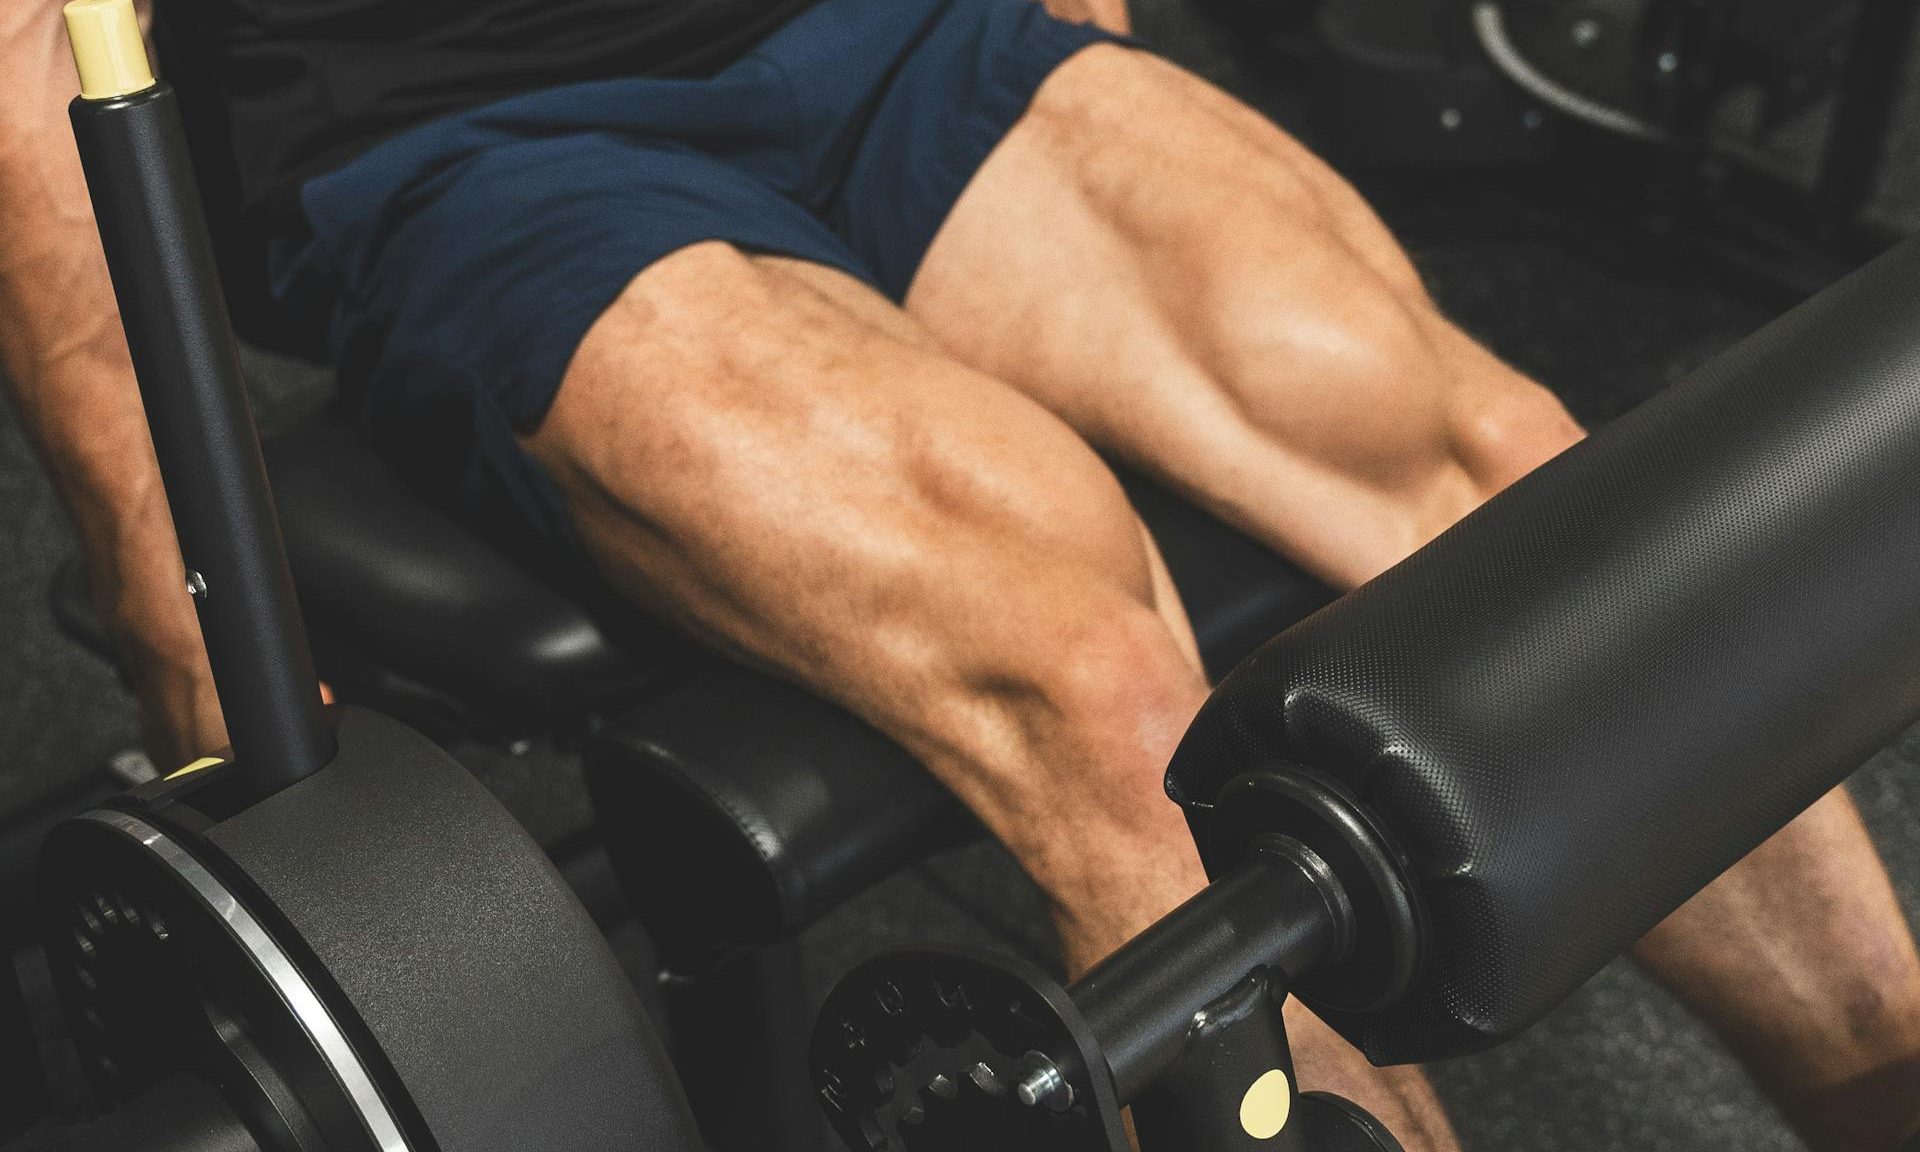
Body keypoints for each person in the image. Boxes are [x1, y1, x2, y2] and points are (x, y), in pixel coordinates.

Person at [3, 0, 1917, 1146]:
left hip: (893, 32)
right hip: (454, 139)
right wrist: (182, 610)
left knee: (1499, 471)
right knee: (1084, 664)